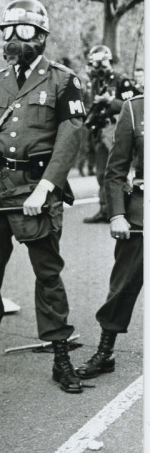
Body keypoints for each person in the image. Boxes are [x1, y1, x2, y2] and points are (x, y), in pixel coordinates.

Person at [0, 0, 85, 393]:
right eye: (8, 30)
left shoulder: (63, 80)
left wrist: (47, 187)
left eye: (23, 30)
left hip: (35, 189)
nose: (14, 38)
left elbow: (71, 134)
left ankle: (60, 353)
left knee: (47, 273)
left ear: (41, 37)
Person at [76, 95, 144, 378]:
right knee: (123, 285)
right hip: (143, 212)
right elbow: (114, 170)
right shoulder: (136, 107)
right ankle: (106, 351)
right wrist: (117, 214)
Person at [83, 45, 139, 223]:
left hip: (115, 129)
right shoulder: (94, 83)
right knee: (101, 173)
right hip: (100, 130)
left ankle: (126, 208)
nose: (99, 68)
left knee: (116, 171)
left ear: (110, 61)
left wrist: (110, 100)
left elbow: (133, 105)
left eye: (103, 63)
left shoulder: (122, 81)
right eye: (96, 64)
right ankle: (105, 209)